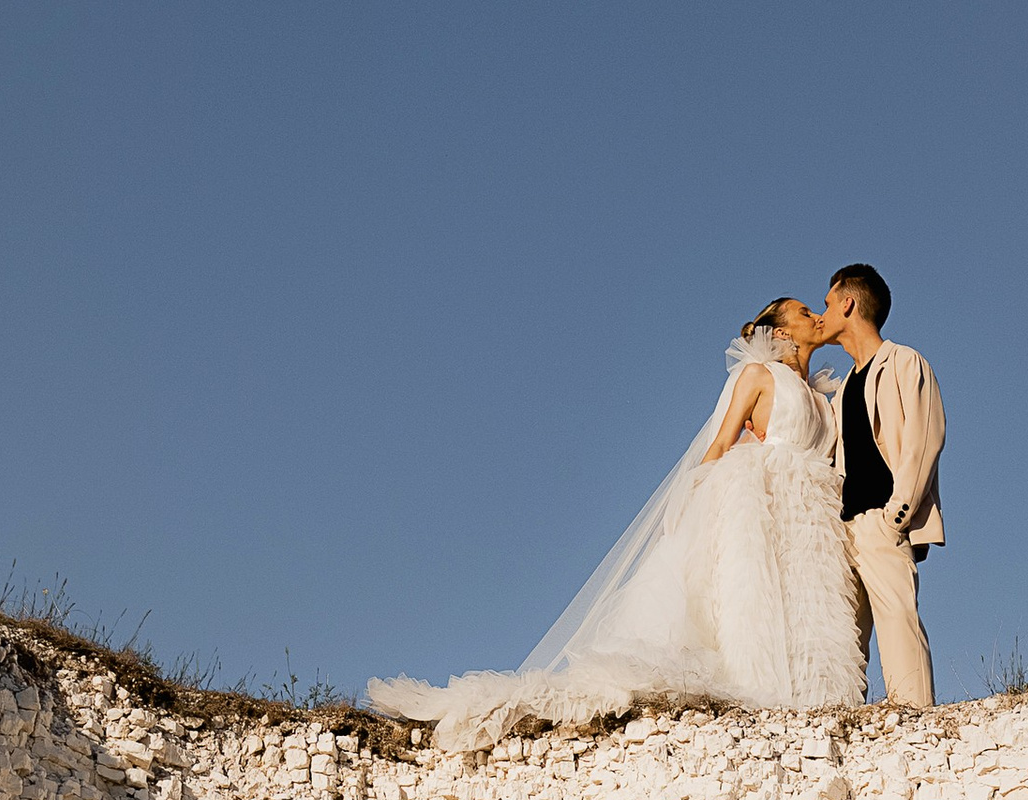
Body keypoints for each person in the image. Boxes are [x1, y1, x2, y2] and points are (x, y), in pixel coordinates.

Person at [365, 301, 864, 741]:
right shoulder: (759, 377)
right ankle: (767, 698)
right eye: (803, 313)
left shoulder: (824, 397)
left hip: (812, 516)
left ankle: (817, 708)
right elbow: (721, 443)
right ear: (778, 332)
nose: (816, 317)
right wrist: (692, 505)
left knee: (809, 611)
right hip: (760, 502)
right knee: (755, 602)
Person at [813, 265, 945, 708]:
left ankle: (916, 723)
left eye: (828, 303)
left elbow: (924, 443)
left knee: (898, 623)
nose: (822, 313)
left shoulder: (905, 362)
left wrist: (896, 517)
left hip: (883, 523)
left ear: (848, 303)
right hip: (843, 530)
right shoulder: (842, 388)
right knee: (843, 643)